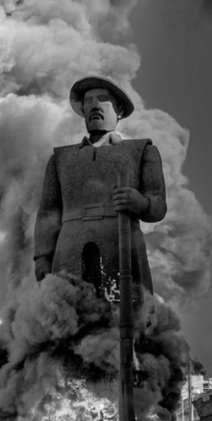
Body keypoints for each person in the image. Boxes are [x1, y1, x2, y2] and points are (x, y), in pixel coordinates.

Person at [34, 76, 167, 296]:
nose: (94, 105)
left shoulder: (141, 151)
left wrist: (141, 203)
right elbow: (49, 212)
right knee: (69, 318)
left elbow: (159, 204)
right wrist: (42, 256)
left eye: (103, 99)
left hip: (121, 248)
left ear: (119, 110)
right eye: (88, 101)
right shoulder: (60, 158)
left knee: (125, 318)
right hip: (69, 252)